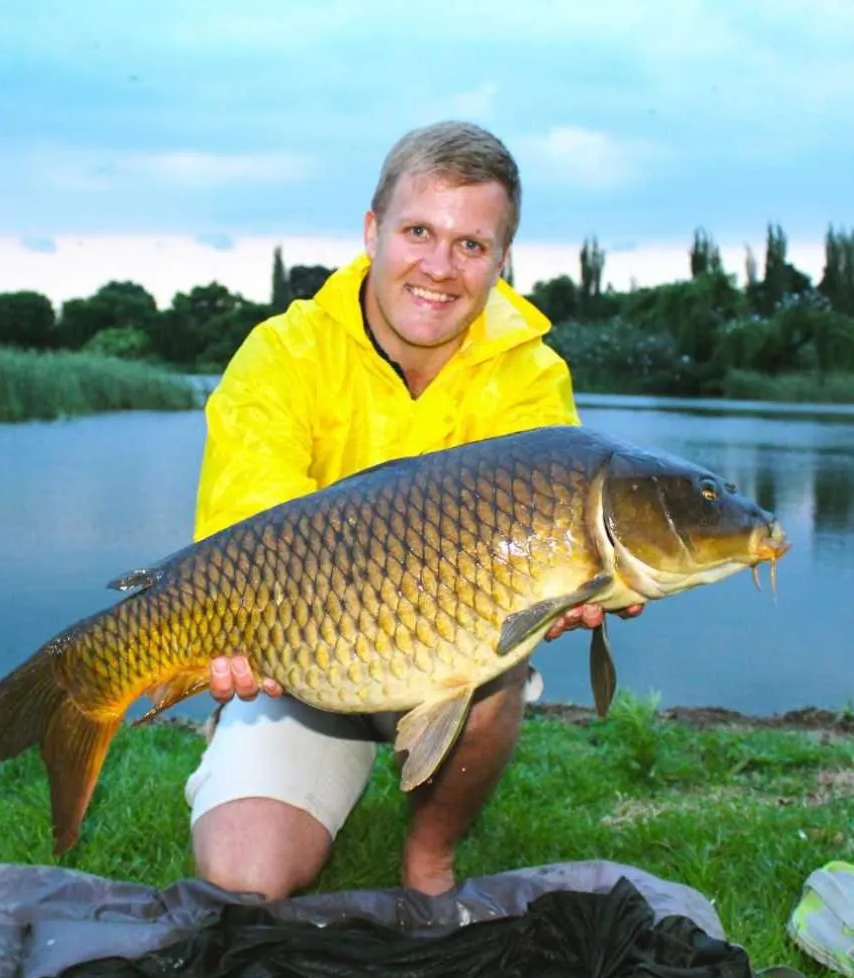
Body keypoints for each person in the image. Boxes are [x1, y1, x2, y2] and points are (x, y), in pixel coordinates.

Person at [182, 120, 642, 902]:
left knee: (496, 676)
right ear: (372, 231)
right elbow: (245, 545)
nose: (439, 267)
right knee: (242, 873)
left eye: (471, 245)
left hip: (453, 663)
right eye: (419, 231)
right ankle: (280, 764)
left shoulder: (533, 379)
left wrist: (593, 587)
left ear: (502, 260)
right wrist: (227, 640)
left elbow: (559, 561)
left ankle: (428, 855)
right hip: (306, 663)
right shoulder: (282, 356)